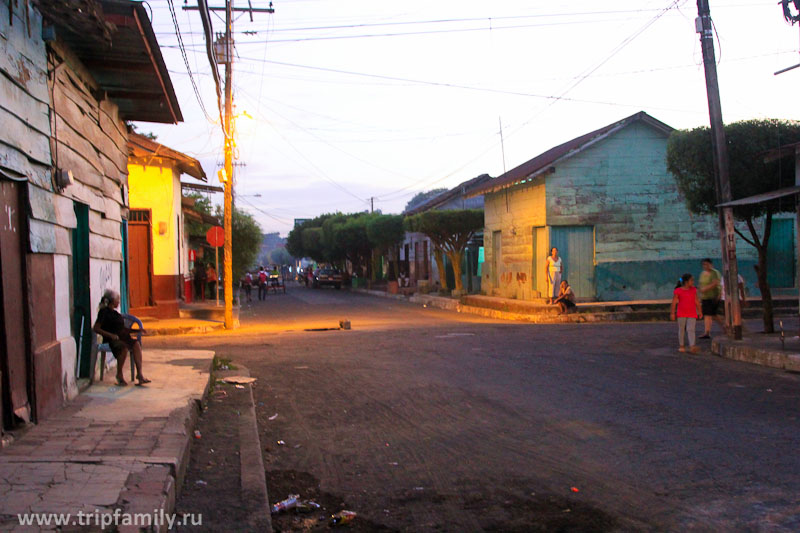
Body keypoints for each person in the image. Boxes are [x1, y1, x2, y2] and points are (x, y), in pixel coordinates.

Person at [93, 289, 150, 386]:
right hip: (112, 339)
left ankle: (139, 375)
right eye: (117, 300)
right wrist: (110, 335)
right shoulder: (103, 312)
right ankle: (119, 374)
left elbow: (123, 329)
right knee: (123, 348)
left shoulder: (116, 313)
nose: (119, 302)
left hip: (123, 337)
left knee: (136, 344)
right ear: (112, 301)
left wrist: (137, 331)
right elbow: (96, 328)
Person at [670, 273, 703, 353]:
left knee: (691, 329)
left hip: (692, 312)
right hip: (681, 313)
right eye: (691, 280)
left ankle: (692, 346)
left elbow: (696, 301)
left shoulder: (693, 290)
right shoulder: (678, 291)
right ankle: (681, 345)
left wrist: (699, 311)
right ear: (686, 282)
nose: (693, 282)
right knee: (681, 329)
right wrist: (672, 313)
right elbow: (674, 302)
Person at [698, 258, 722, 339]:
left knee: (713, 314)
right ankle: (707, 332)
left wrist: (705, 289)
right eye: (704, 264)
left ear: (711, 264)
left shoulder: (714, 272)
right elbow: (700, 284)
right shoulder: (702, 273)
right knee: (707, 315)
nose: (705, 266)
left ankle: (726, 328)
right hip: (705, 297)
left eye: (707, 264)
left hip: (713, 296)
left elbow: (715, 283)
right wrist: (700, 293)